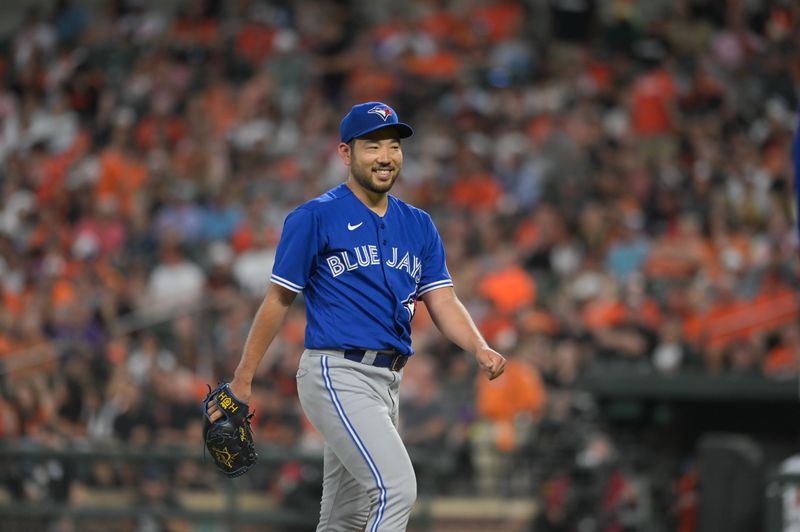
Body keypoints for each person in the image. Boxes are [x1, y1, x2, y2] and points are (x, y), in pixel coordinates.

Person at [206, 101, 507, 531]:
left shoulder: (419, 224)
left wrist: (478, 345)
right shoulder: (315, 216)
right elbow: (277, 300)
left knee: (345, 518)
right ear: (346, 153)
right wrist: (244, 378)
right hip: (336, 372)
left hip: (388, 381)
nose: (385, 156)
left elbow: (441, 298)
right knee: (396, 488)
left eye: (393, 146)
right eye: (372, 146)